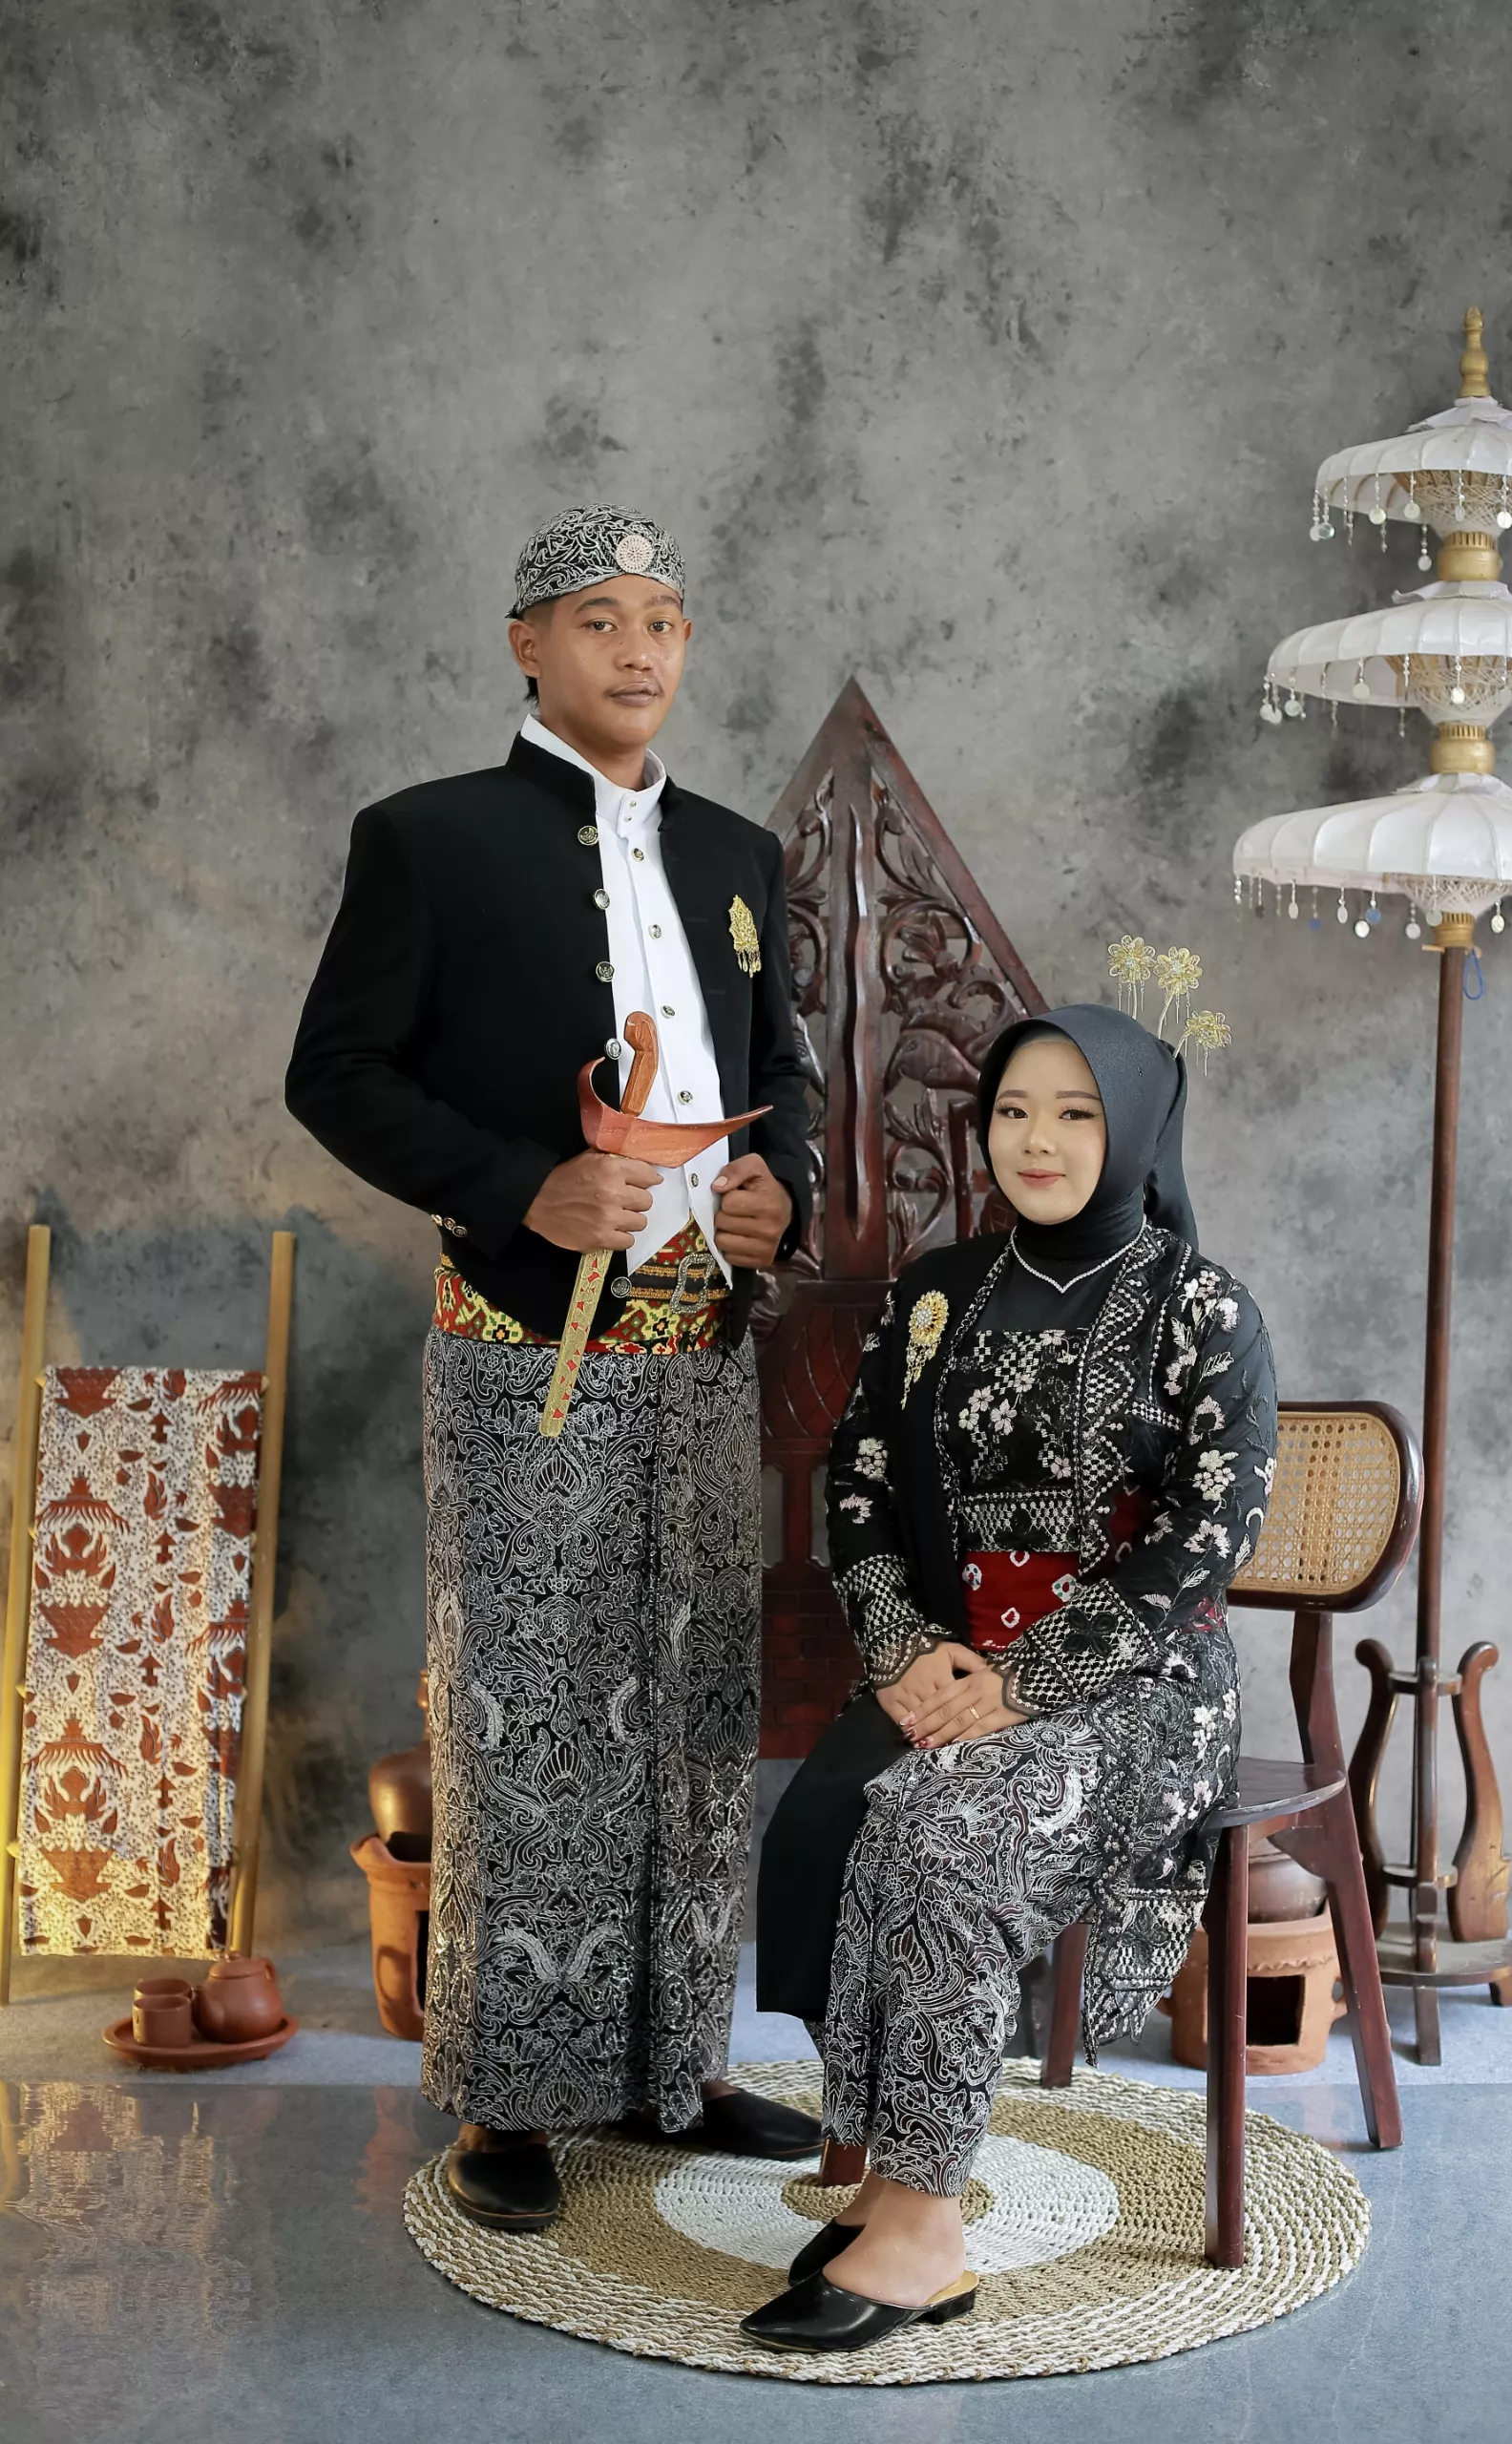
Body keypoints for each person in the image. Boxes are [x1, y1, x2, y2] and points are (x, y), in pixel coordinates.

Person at [285, 504, 818, 2231]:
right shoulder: (427, 840)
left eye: (663, 617)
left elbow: (787, 1074)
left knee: (692, 1714)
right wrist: (520, 1183)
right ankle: (509, 2099)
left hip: (703, 1351)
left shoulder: (738, 855)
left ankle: (679, 2070)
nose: (639, 648)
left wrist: (782, 1189)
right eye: (600, 618)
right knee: (528, 1725)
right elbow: (336, 1072)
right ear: (529, 646)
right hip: (529, 1355)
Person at [745, 1002, 1275, 2353]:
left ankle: (925, 2231)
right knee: (852, 1814)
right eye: (1014, 1111)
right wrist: (902, 1650)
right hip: (946, 1664)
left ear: (1136, 1127)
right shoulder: (936, 1294)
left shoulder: (1202, 1310)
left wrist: (1028, 1681)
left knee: (943, 1826)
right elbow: (859, 1479)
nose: (1036, 1140)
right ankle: (886, 2176)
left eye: (1075, 1113)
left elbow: (1205, 1540)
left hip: (1141, 1687)